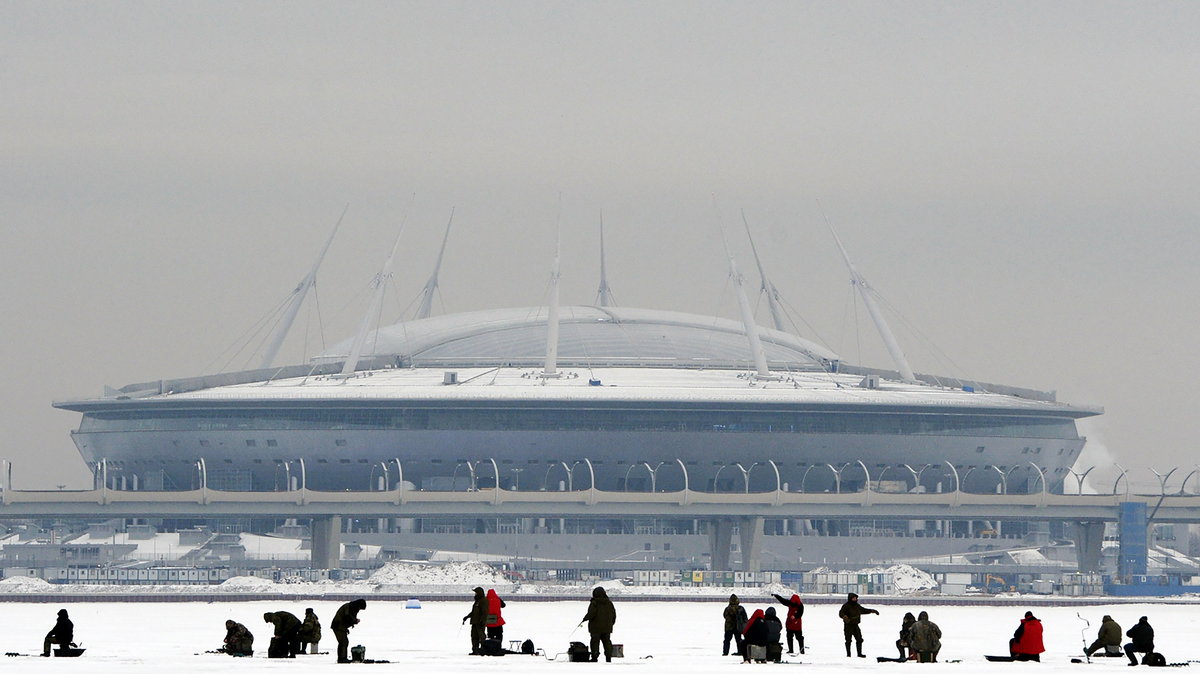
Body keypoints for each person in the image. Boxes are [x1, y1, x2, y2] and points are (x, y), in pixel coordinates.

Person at [838, 592, 880, 658]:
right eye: (854, 598)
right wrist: (844, 617)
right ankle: (848, 654)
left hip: (855, 625)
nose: (855, 599)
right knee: (848, 640)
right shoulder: (846, 606)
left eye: (856, 598)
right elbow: (841, 613)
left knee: (859, 639)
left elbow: (863, 610)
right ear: (850, 598)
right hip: (848, 626)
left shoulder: (857, 605)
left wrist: (872, 611)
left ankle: (859, 654)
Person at [582, 586, 617, 662]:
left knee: (595, 642)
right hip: (607, 628)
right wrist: (610, 624)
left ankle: (594, 657)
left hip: (595, 627)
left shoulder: (594, 603)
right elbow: (613, 615)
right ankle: (608, 657)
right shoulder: (609, 603)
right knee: (607, 642)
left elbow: (591, 614)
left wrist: (585, 619)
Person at [331, 599, 367, 664]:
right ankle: (342, 659)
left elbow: (348, 618)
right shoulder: (348, 607)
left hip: (341, 626)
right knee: (343, 642)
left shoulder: (352, 607)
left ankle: (343, 658)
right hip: (337, 626)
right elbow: (347, 617)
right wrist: (355, 621)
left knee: (344, 641)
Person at [462, 587, 488, 655]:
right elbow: (473, 612)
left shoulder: (484, 601)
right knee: (474, 636)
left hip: (480, 622)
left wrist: (482, 621)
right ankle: (475, 650)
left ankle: (483, 649)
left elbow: (484, 612)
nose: (475, 594)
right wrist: (467, 617)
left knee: (481, 636)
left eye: (476, 593)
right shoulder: (477, 601)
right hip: (474, 622)